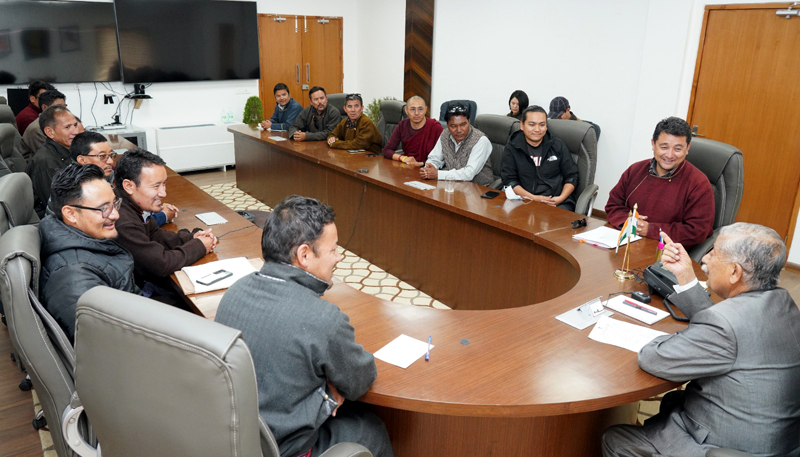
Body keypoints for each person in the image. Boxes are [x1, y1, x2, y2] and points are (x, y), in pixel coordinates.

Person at [215, 195, 393, 457]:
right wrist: (327, 393)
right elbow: (360, 381)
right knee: (371, 429)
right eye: (333, 250)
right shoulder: (323, 318)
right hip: (284, 448)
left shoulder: (234, 291)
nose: (339, 257)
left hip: (234, 436)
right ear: (304, 255)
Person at [602, 224, 800, 457]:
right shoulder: (783, 303)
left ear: (735, 272)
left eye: (714, 252)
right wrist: (686, 276)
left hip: (726, 445)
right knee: (673, 401)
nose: (705, 258)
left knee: (616, 440)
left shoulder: (725, 326)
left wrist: (675, 337)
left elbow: (653, 359)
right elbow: (725, 326)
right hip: (778, 440)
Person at [38, 163, 138, 341]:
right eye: (104, 208)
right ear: (70, 214)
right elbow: (104, 343)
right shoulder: (72, 276)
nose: (115, 215)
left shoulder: (86, 239)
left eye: (115, 204)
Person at [113, 149, 215, 300]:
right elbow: (162, 264)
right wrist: (199, 246)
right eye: (156, 186)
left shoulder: (131, 204)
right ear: (129, 186)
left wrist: (192, 238)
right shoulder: (122, 219)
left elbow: (155, 234)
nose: (163, 193)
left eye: (164, 184)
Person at [604, 116, 714, 249]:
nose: (669, 155)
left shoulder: (698, 183)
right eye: (664, 147)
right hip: (627, 244)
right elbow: (613, 205)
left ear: (687, 148)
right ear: (653, 144)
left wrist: (650, 229)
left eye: (677, 149)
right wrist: (630, 222)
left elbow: (698, 230)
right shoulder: (635, 170)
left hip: (669, 252)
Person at [501, 105, 579, 211]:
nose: (537, 129)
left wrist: (560, 198)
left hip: (557, 202)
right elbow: (510, 180)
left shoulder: (557, 145)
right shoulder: (513, 147)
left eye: (542, 125)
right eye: (531, 124)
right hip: (526, 200)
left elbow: (572, 176)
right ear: (522, 125)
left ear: (546, 126)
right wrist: (534, 199)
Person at [420, 103, 494, 186]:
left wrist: (437, 174)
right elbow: (435, 158)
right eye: (453, 126)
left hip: (478, 187)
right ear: (447, 125)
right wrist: (429, 169)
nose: (459, 130)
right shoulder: (445, 134)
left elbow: (469, 173)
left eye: (463, 125)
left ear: (469, 121)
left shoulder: (481, 140)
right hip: (453, 185)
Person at [26, 105, 80, 218]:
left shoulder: (67, 149)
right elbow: (57, 205)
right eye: (67, 127)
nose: (76, 131)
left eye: (75, 125)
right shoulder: (46, 163)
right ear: (50, 132)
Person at [382, 95, 443, 166]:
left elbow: (443, 157)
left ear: (425, 109)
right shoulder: (402, 125)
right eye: (412, 109)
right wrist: (403, 158)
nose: (416, 113)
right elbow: (387, 150)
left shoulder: (435, 127)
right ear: (406, 110)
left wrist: (420, 164)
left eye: (420, 109)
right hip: (407, 166)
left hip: (428, 168)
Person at [19, 89, 66, 162]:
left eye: (65, 107)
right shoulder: (36, 128)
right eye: (59, 107)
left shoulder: (57, 123)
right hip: (38, 165)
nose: (64, 110)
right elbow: (51, 153)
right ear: (44, 108)